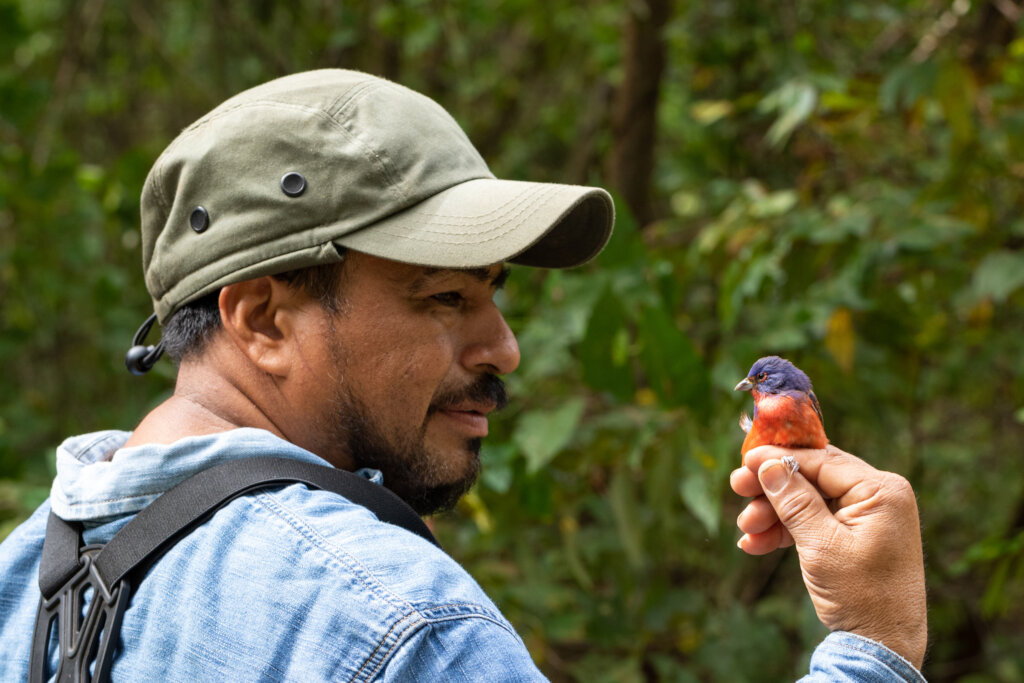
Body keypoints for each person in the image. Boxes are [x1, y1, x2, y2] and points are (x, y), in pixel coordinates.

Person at [0, 69, 926, 681]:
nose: (503, 348)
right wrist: (875, 646)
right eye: (443, 299)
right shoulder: (401, 622)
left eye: (492, 293)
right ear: (264, 317)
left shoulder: (21, 576)